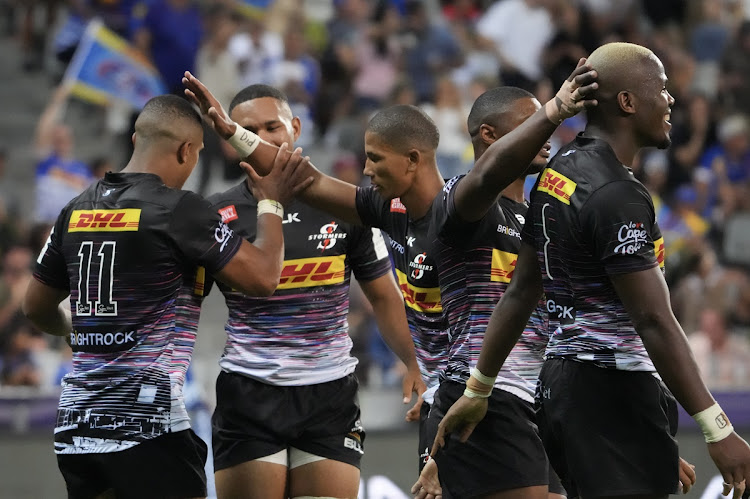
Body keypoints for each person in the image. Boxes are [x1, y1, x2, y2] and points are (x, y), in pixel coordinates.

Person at [182, 58, 596, 499]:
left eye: (375, 158)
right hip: (481, 401)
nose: (365, 169)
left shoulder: (536, 218)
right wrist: (230, 133)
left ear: (411, 160)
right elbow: (305, 180)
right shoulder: (453, 208)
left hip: (530, 398)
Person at [432, 42, 750, 499]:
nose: (671, 100)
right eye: (661, 89)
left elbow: (520, 293)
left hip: (564, 391)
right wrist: (717, 427)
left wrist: (479, 388)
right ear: (627, 102)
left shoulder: (555, 176)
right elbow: (653, 319)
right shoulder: (617, 194)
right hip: (613, 394)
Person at [21, 94, 308, 499]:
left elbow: (34, 306)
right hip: (147, 430)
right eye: (197, 155)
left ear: (137, 139)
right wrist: (271, 202)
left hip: (77, 430)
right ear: (186, 151)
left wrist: (72, 330)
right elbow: (263, 278)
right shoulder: (178, 210)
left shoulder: (75, 209)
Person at [183, 80, 425, 499]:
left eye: (272, 127)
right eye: (249, 131)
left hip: (328, 394)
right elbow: (185, 304)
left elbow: (384, 295)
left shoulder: (344, 207)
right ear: (229, 142)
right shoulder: (216, 214)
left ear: (295, 127)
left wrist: (413, 362)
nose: (262, 139)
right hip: (249, 392)